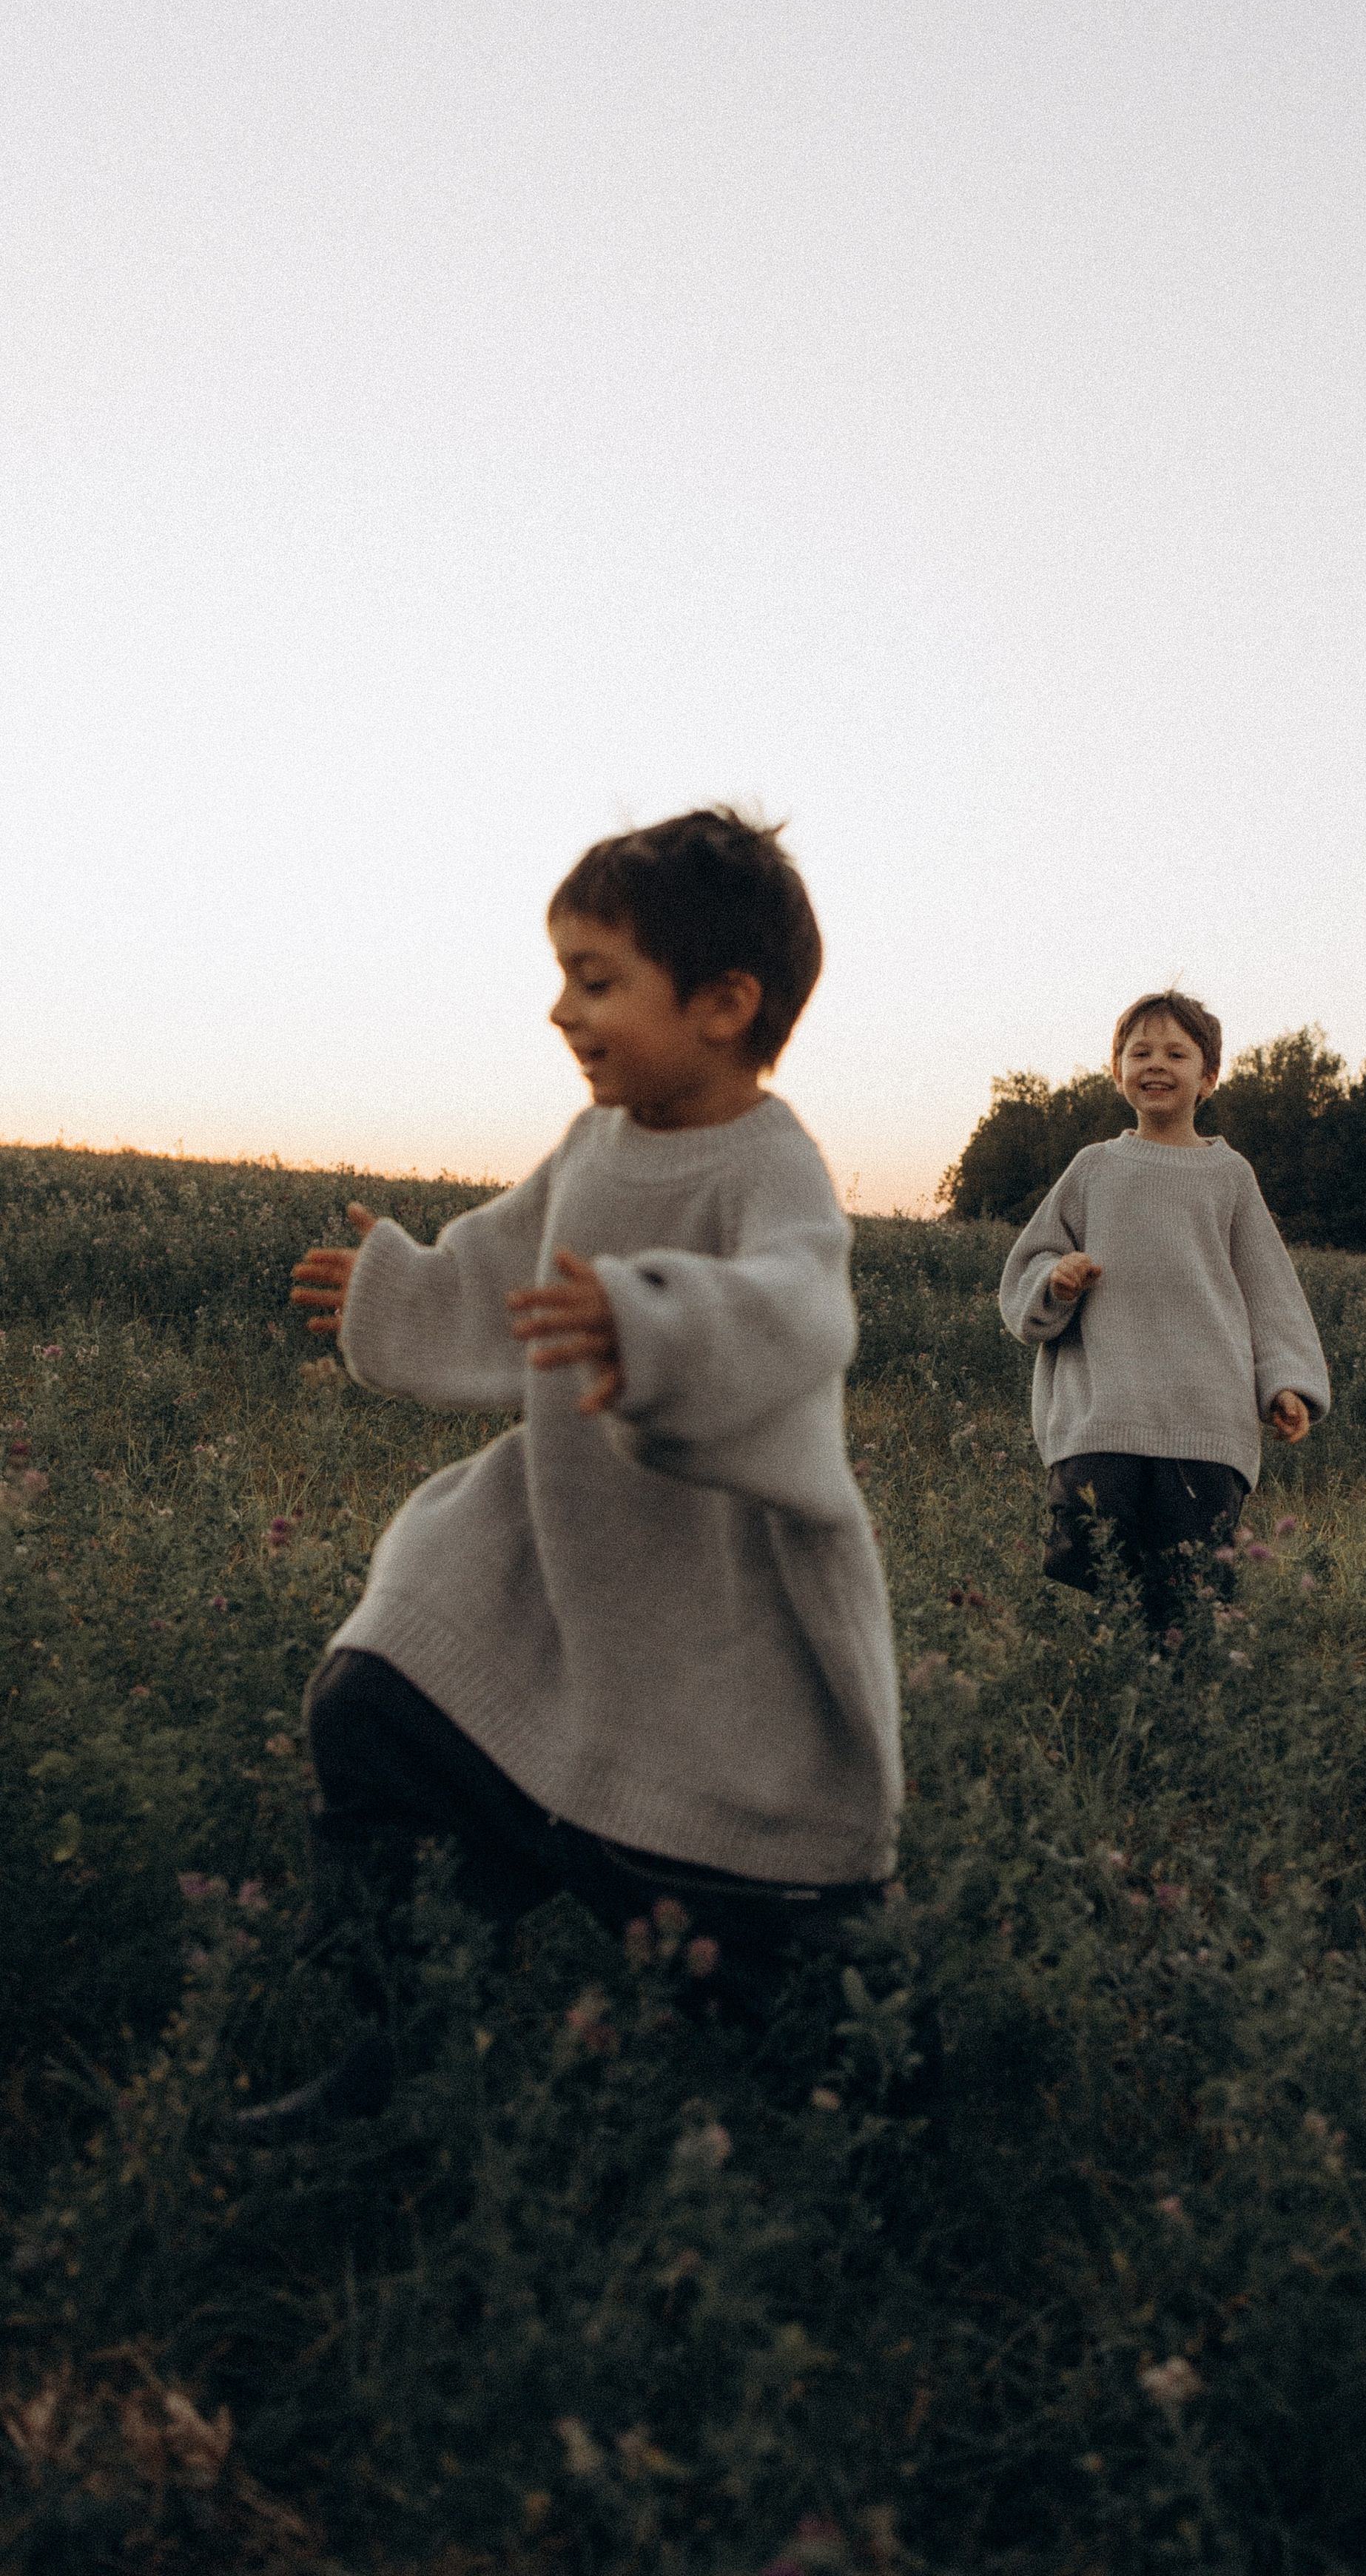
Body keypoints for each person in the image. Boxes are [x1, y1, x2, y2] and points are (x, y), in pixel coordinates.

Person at [238, 808, 901, 2131]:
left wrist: (649, 1325)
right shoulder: (595, 1145)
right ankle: (399, 2048)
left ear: (725, 1002)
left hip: (720, 1606)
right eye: (564, 976)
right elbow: (506, 1265)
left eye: (597, 980)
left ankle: (865, 2111)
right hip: (562, 1550)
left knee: (757, 1932)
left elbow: (796, 1308)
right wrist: (406, 1286)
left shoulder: (776, 1170)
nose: (561, 1010)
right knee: (381, 1704)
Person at [997, 989, 1330, 1612]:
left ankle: (1184, 1690)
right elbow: (1029, 1265)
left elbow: (1270, 1291)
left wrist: (1286, 1383)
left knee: (1189, 1591)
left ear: (1208, 1077)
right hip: (1102, 1420)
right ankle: (1107, 1691)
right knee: (1097, 1576)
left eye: (1176, 1053)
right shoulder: (1094, 1169)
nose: (1156, 1064)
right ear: (1116, 1068)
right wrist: (1056, 1278)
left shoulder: (1230, 1177)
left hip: (1204, 1427)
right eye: (1139, 1051)